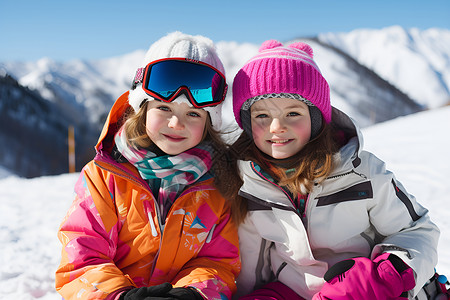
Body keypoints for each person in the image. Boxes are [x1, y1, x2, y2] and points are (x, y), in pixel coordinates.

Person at [227, 39, 440, 299]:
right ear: (247, 124)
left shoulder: (360, 172)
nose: (276, 127)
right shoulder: (249, 181)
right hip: (292, 290)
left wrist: (385, 276)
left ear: (316, 118)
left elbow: (417, 231)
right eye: (261, 116)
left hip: (360, 289)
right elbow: (252, 264)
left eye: (292, 114)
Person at [55, 31, 240, 300]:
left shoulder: (217, 187)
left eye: (192, 114)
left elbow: (219, 262)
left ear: (209, 124)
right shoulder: (105, 177)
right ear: (142, 110)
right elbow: (81, 254)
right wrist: (119, 295)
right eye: (164, 108)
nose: (177, 124)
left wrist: (194, 293)